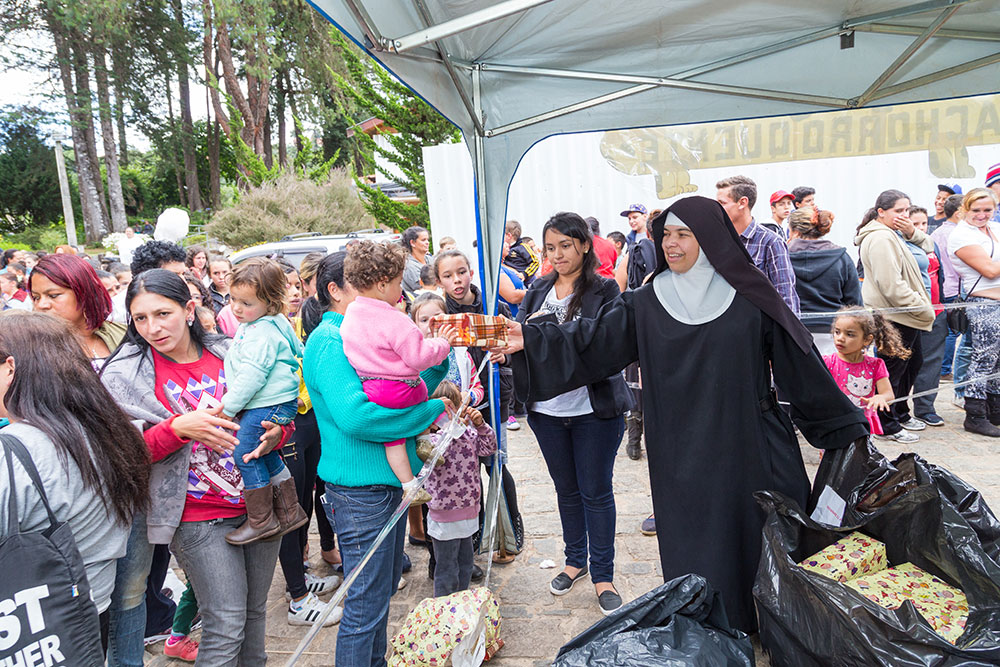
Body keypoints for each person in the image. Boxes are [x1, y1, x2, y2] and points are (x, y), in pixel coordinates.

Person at [497, 196, 868, 633]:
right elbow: (590, 340)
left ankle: (766, 627)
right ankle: (706, 630)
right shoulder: (646, 302)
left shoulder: (752, 297)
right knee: (696, 541)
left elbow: (800, 367)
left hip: (748, 443)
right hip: (681, 449)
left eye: (683, 235)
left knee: (755, 537)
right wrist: (530, 339)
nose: (670, 245)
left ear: (710, 238)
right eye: (665, 235)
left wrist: (843, 427)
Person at [101, 269, 290, 665]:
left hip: (258, 507)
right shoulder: (125, 373)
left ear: (189, 310)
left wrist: (278, 433)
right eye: (140, 318)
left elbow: (277, 407)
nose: (152, 327)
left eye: (162, 313)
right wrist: (176, 429)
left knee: (255, 616)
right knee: (224, 622)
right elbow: (119, 454)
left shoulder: (232, 350)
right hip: (196, 517)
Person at [303, 251, 452, 667]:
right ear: (335, 290)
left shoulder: (362, 332)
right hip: (359, 489)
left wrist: (436, 366)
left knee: (382, 590)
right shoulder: (331, 339)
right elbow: (358, 417)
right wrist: (431, 411)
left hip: (385, 482)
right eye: (359, 281)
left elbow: (404, 387)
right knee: (366, 604)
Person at [0, 311, 149, 656]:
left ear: (10, 368)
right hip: (86, 611)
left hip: (29, 625)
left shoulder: (17, 453)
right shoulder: (105, 431)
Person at [517, 212, 632, 615]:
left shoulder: (604, 292)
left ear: (585, 244)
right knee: (566, 490)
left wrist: (538, 337)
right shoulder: (538, 288)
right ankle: (574, 561)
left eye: (566, 245)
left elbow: (605, 346)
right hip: (546, 411)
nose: (558, 254)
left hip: (592, 409)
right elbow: (520, 337)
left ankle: (603, 574)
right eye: (550, 247)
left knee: (596, 492)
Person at [341, 241, 457, 501]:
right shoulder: (394, 319)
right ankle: (425, 440)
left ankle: (408, 485)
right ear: (382, 284)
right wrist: (443, 344)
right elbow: (419, 357)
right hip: (404, 388)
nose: (400, 289)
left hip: (373, 388)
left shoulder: (351, 315)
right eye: (398, 282)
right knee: (422, 401)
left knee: (392, 441)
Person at [220, 258, 308, 544]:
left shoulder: (262, 333)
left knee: (245, 453)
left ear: (270, 302)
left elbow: (252, 376)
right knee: (265, 453)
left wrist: (227, 409)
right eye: (233, 299)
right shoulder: (268, 322)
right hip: (278, 402)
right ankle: (289, 511)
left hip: (266, 403)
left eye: (246, 303)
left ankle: (261, 520)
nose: (236, 308)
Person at [856, 189, 935, 443]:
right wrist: (923, 307)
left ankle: (899, 413)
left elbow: (929, 246)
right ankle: (886, 425)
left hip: (906, 313)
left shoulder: (894, 233)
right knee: (891, 372)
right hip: (895, 315)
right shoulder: (880, 238)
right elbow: (891, 285)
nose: (904, 216)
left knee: (912, 364)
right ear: (881, 212)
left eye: (906, 210)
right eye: (898, 211)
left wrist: (911, 231)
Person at [423, 381, 496, 597]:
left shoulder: (470, 434)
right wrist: (447, 429)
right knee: (446, 568)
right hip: (443, 515)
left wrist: (481, 424)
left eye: (454, 408)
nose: (450, 414)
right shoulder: (429, 440)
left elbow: (489, 447)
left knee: (465, 564)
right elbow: (433, 458)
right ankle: (443, 611)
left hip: (469, 510)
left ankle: (461, 604)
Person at [948, 188, 1000, 436]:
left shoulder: (993, 229)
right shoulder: (961, 235)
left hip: (995, 302)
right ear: (965, 210)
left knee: (997, 360)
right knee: (983, 359)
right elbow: (989, 270)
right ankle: (975, 414)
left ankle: (994, 409)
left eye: (987, 210)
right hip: (983, 304)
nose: (982, 215)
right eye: (976, 210)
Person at [717, 175, 800, 313]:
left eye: (722, 203)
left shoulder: (771, 242)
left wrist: (789, 333)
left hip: (759, 329)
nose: (717, 208)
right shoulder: (718, 241)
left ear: (742, 202)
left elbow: (786, 296)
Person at [787, 207, 862, 357]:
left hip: (792, 331)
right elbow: (854, 302)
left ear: (795, 231)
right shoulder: (841, 258)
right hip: (834, 333)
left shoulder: (781, 258)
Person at [28, 254, 127, 367]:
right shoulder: (32, 349)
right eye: (36, 297)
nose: (41, 305)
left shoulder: (123, 334)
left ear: (84, 293)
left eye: (53, 295)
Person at [825, 308, 907, 435]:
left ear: (867, 340)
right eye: (837, 332)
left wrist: (880, 397)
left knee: (861, 454)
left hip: (863, 425)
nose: (840, 338)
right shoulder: (827, 362)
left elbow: (889, 395)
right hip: (836, 424)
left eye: (850, 334)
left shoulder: (875, 365)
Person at [908, 206, 949, 427]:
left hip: (936, 311)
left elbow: (943, 277)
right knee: (904, 362)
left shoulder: (932, 246)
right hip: (908, 313)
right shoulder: (898, 246)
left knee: (932, 362)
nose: (921, 228)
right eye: (915, 224)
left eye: (924, 223)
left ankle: (925, 407)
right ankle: (898, 409)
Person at [933, 194, 966, 383]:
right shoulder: (956, 234)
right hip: (954, 287)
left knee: (945, 329)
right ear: (958, 212)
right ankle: (945, 369)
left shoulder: (937, 233)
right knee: (953, 331)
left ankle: (942, 367)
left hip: (942, 286)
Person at [401, 226, 432, 294]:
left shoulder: (430, 259)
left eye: (427, 239)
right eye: (423, 240)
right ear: (412, 243)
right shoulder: (409, 266)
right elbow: (424, 290)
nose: (427, 242)